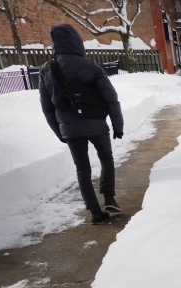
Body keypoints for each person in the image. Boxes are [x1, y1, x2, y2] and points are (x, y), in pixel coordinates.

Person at [39, 24, 124, 225]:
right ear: (78, 42)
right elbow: (111, 99)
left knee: (82, 168)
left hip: (69, 127)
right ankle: (109, 197)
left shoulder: (47, 70)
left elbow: (47, 107)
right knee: (106, 159)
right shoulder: (91, 67)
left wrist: (59, 131)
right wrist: (118, 125)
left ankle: (94, 210)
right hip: (97, 124)